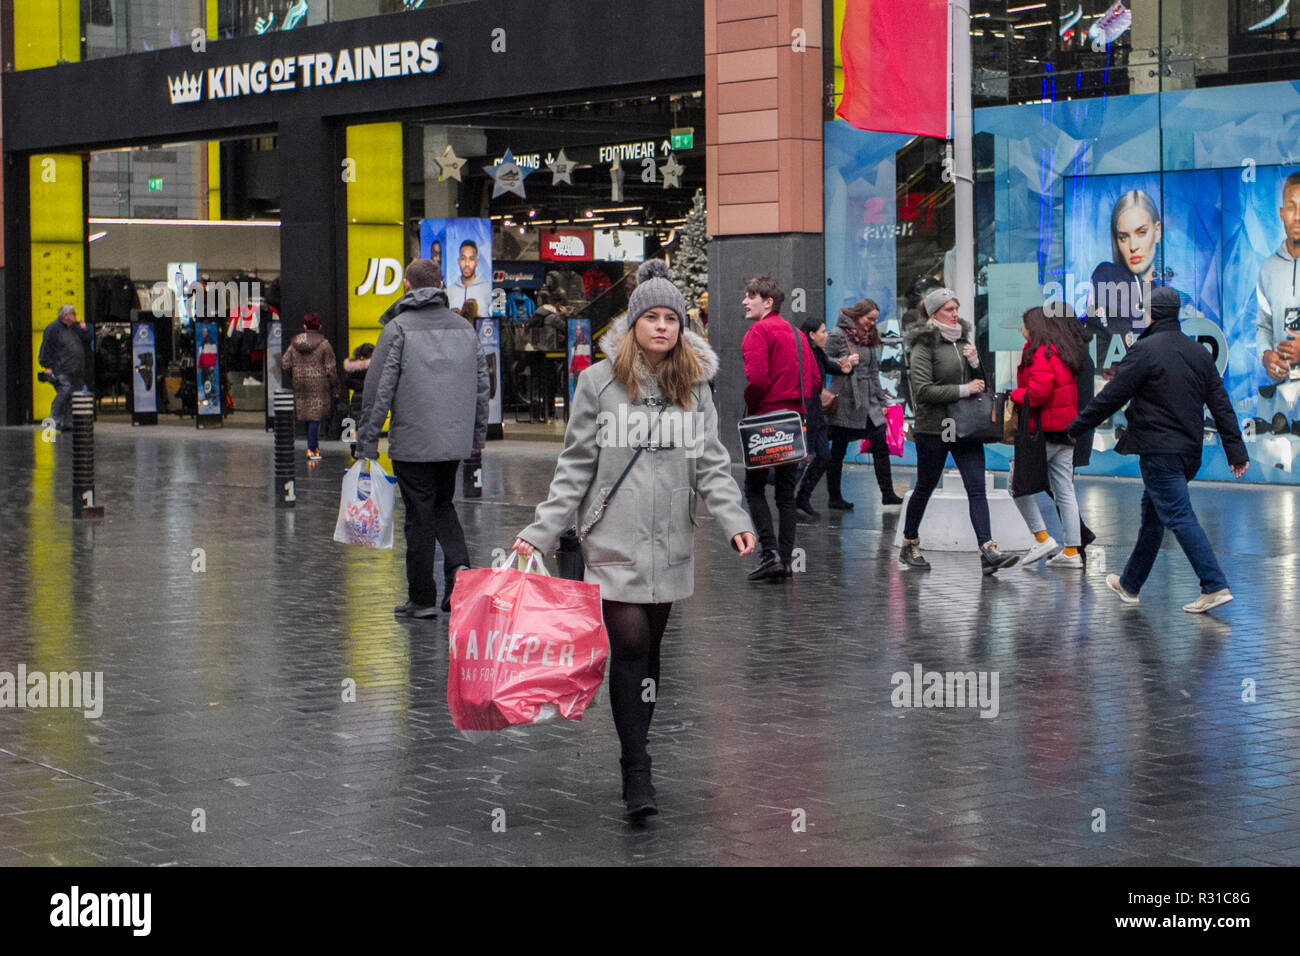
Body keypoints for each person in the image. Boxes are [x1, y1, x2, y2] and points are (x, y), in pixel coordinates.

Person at [512, 259, 755, 817]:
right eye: (653, 317)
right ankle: (636, 768)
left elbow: (711, 464)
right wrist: (541, 531)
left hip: (671, 538)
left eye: (673, 318)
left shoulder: (693, 385)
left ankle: (638, 746)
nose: (664, 327)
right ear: (634, 322)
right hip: (611, 535)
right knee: (628, 643)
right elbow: (574, 466)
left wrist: (735, 521)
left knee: (651, 649)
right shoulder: (597, 383)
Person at [1068, 286, 1249, 613]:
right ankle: (1130, 584)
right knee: (1153, 516)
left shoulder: (1145, 350)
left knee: (1178, 514)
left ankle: (1214, 584)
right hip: (1188, 453)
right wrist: (1237, 453)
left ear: (1151, 313)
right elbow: (1221, 406)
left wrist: (1075, 429)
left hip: (1160, 451)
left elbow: (1111, 397)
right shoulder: (1197, 353)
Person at [356, 259, 490, 618]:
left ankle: (422, 598)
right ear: (440, 285)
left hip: (413, 442)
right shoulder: (464, 328)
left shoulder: (397, 329)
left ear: (406, 286)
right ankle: (459, 572)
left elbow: (378, 390)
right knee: (443, 505)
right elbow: (482, 389)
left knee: (419, 515)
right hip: (454, 443)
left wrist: (366, 441)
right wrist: (477, 438)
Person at [900, 288, 1019, 574]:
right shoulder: (923, 344)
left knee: (976, 488)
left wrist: (977, 364)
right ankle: (910, 543)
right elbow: (923, 391)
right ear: (933, 313)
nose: (955, 315)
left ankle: (987, 550)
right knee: (925, 486)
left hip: (967, 426)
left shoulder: (963, 340)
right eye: (948, 309)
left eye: (956, 308)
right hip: (935, 426)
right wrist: (964, 389)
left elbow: (982, 386)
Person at [741, 275, 812, 580]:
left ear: (767, 302)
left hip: (766, 421)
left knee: (754, 489)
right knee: (785, 494)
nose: (745, 301)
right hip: (793, 421)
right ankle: (784, 559)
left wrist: (751, 404)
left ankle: (769, 553)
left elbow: (757, 380)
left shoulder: (758, 331)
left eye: (751, 296)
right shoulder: (797, 334)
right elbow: (815, 382)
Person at [1009, 306, 1085, 569]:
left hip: (1043, 431)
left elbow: (1038, 393)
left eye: (1024, 323)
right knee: (1065, 490)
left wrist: (1014, 395)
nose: (1022, 328)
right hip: (1066, 431)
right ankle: (1072, 551)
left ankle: (1041, 537)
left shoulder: (1039, 352)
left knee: (1016, 483)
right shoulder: (1063, 351)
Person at [823, 299, 904, 510]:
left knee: (880, 444)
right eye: (869, 319)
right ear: (858, 315)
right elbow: (824, 362)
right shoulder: (837, 335)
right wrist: (845, 363)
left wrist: (881, 400)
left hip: (868, 402)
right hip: (846, 401)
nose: (871, 323)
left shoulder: (868, 338)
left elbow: (873, 372)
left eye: (875, 320)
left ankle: (887, 493)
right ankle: (834, 497)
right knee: (838, 449)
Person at [1088, 189, 1163, 374]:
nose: (1133, 247)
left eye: (1141, 232)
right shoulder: (1107, 277)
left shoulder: (1169, 292)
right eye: (1123, 237)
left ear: (1157, 230)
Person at [794, 317, 852, 518]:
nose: (826, 335)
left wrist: (845, 367)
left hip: (816, 411)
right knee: (802, 458)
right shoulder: (801, 353)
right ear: (811, 335)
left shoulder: (817, 352)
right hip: (806, 412)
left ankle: (802, 497)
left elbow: (828, 365)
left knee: (823, 456)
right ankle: (787, 497)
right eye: (823, 332)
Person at [1255, 172, 1300, 389]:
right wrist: (1266, 355)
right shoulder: (1268, 269)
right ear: (1282, 213)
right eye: (1291, 207)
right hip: (1284, 395)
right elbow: (1263, 326)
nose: (1298, 216)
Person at [281, 312, 339, 462]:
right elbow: (330, 369)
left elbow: (285, 363)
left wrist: (294, 375)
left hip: (300, 383)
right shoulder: (324, 345)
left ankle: (311, 446)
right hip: (319, 384)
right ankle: (312, 450)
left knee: (308, 414)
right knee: (314, 416)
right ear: (319, 326)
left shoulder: (294, 344)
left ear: (304, 326)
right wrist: (336, 387)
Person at [38, 304, 91, 431]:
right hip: (61, 369)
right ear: (65, 316)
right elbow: (46, 348)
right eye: (73, 314)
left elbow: (87, 339)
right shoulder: (53, 329)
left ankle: (68, 422)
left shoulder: (75, 327)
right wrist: (47, 366)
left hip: (76, 369)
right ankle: (54, 419)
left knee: (73, 395)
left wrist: (84, 330)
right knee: (64, 391)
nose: (75, 316)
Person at [447, 239, 491, 316]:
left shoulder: (488, 289)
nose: (467, 264)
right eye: (463, 258)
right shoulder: (449, 291)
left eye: (471, 259)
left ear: (477, 262)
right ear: (458, 261)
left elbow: (495, 321)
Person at [342, 342, 374, 423]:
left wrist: (360, 385)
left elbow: (347, 381)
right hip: (371, 397)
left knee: (357, 423)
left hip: (356, 397)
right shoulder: (374, 367)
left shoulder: (354, 367)